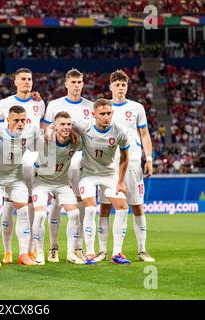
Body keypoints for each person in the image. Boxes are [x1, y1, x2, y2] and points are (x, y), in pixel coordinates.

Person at [97, 70, 155, 263]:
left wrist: (149, 159)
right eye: (117, 84)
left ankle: (142, 250)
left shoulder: (137, 108)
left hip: (133, 162)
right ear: (111, 87)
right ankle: (103, 250)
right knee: (105, 207)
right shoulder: (104, 108)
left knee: (137, 206)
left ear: (127, 87)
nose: (120, 88)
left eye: (124, 85)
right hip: (108, 165)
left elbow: (145, 134)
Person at [0, 68, 46, 264]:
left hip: (32, 160)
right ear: (15, 82)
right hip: (10, 161)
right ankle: (7, 251)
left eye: (30, 79)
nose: (27, 82)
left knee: (29, 205)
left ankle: (29, 249)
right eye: (23, 79)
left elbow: (41, 132)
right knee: (8, 205)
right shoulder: (5, 103)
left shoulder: (38, 103)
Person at [40, 69, 93, 264]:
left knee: (79, 203)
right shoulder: (55, 105)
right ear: (66, 83)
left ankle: (77, 247)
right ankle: (53, 247)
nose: (77, 85)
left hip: (81, 160)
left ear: (83, 83)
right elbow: (44, 130)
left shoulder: (90, 106)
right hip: (59, 160)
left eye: (79, 81)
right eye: (73, 82)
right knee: (55, 202)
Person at [70, 98, 131, 265]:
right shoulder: (84, 125)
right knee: (90, 209)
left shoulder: (120, 131)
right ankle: (89, 253)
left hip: (109, 174)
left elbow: (125, 158)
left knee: (123, 208)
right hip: (88, 174)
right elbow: (65, 125)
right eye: (102, 114)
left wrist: (121, 181)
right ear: (94, 114)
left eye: (109, 113)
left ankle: (117, 253)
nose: (106, 117)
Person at [0, 105, 41, 267]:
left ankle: (23, 254)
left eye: (23, 120)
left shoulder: (30, 131)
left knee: (23, 212)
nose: (20, 123)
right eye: (16, 120)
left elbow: (47, 139)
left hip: (16, 176)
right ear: (7, 120)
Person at [32, 112, 82, 265]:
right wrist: (46, 129)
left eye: (68, 124)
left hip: (61, 183)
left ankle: (70, 254)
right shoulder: (44, 140)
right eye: (62, 124)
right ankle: (39, 254)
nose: (66, 127)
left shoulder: (75, 142)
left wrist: (74, 131)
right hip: (41, 182)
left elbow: (84, 133)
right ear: (55, 126)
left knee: (74, 214)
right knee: (40, 215)